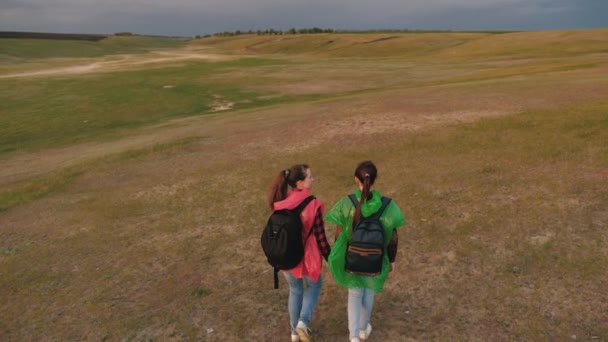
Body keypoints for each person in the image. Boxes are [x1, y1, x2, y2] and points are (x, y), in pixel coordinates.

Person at [325, 161, 405, 342]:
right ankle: (363, 329)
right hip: (375, 260)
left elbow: (338, 235)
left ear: (356, 180)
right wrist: (391, 260)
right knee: (369, 291)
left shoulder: (346, 204)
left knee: (354, 294)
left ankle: (353, 335)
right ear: (375, 179)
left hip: (352, 259)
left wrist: (339, 259)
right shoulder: (388, 206)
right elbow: (392, 237)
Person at [268, 164, 331, 342]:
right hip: (309, 256)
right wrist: (329, 257)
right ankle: (302, 322)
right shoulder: (313, 204)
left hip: (286, 254)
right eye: (309, 177)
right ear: (300, 183)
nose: (313, 179)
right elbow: (320, 237)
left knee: (295, 290)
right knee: (314, 286)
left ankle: (294, 332)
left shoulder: (281, 202)